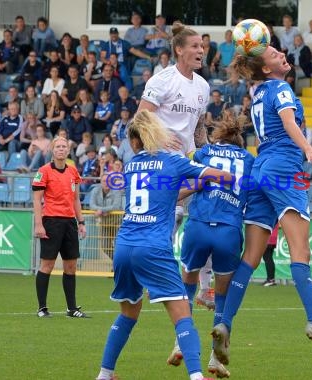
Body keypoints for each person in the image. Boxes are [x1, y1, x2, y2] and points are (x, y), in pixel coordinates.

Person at [211, 44, 312, 370]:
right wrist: (310, 149)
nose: (282, 55)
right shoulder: (281, 87)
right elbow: (289, 122)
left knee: (251, 256)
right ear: (266, 68)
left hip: (260, 169)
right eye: (274, 54)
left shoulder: (257, 92)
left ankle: (225, 323)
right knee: (300, 250)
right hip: (284, 168)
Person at [95, 110, 231, 380]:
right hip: (153, 246)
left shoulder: (132, 165)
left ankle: (104, 374)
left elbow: (164, 195)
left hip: (124, 247)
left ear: (135, 142)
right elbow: (222, 176)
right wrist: (219, 174)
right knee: (182, 315)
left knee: (128, 314)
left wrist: (192, 187)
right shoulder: (173, 161)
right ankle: (196, 376)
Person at [137, 22, 214, 317]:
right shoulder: (162, 80)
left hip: (187, 161)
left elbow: (197, 129)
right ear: (179, 50)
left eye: (203, 46)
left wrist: (207, 153)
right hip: (161, 162)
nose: (200, 51)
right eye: (195, 46)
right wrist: (160, 138)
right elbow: (141, 119)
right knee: (165, 223)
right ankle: (154, 277)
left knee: (207, 212)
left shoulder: (203, 86)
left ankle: (206, 288)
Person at [177, 114, 254, 377]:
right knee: (222, 297)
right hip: (229, 229)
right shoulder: (249, 160)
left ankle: (180, 340)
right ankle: (214, 358)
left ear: (219, 136)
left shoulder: (206, 152)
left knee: (186, 285)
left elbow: (191, 153)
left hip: (199, 224)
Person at [32, 136, 88, 318]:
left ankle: (71, 309)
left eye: (64, 146)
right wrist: (39, 225)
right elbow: (37, 200)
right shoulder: (44, 171)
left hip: (69, 222)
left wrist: (81, 222)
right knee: (47, 265)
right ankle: (42, 308)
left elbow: (76, 199)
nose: (62, 149)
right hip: (51, 222)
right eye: (58, 147)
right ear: (52, 150)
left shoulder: (73, 172)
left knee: (71, 266)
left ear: (68, 150)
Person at [89, 173, 123, 261]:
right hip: (104, 223)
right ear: (101, 182)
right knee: (105, 246)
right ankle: (116, 262)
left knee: (118, 246)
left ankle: (117, 265)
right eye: (104, 181)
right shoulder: (95, 190)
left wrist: (101, 210)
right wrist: (104, 210)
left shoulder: (116, 191)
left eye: (108, 181)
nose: (106, 183)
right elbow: (92, 205)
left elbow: (116, 206)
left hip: (117, 223)